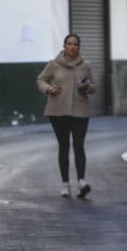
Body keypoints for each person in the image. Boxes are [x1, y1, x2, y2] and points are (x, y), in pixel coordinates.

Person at [37, 33, 96, 198]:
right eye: (69, 43)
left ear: (79, 47)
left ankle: (82, 182)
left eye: (75, 44)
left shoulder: (85, 66)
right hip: (57, 111)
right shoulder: (53, 64)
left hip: (80, 112)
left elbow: (93, 87)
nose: (72, 46)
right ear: (64, 46)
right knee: (63, 147)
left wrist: (86, 87)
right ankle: (65, 184)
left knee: (79, 145)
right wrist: (48, 89)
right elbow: (41, 80)